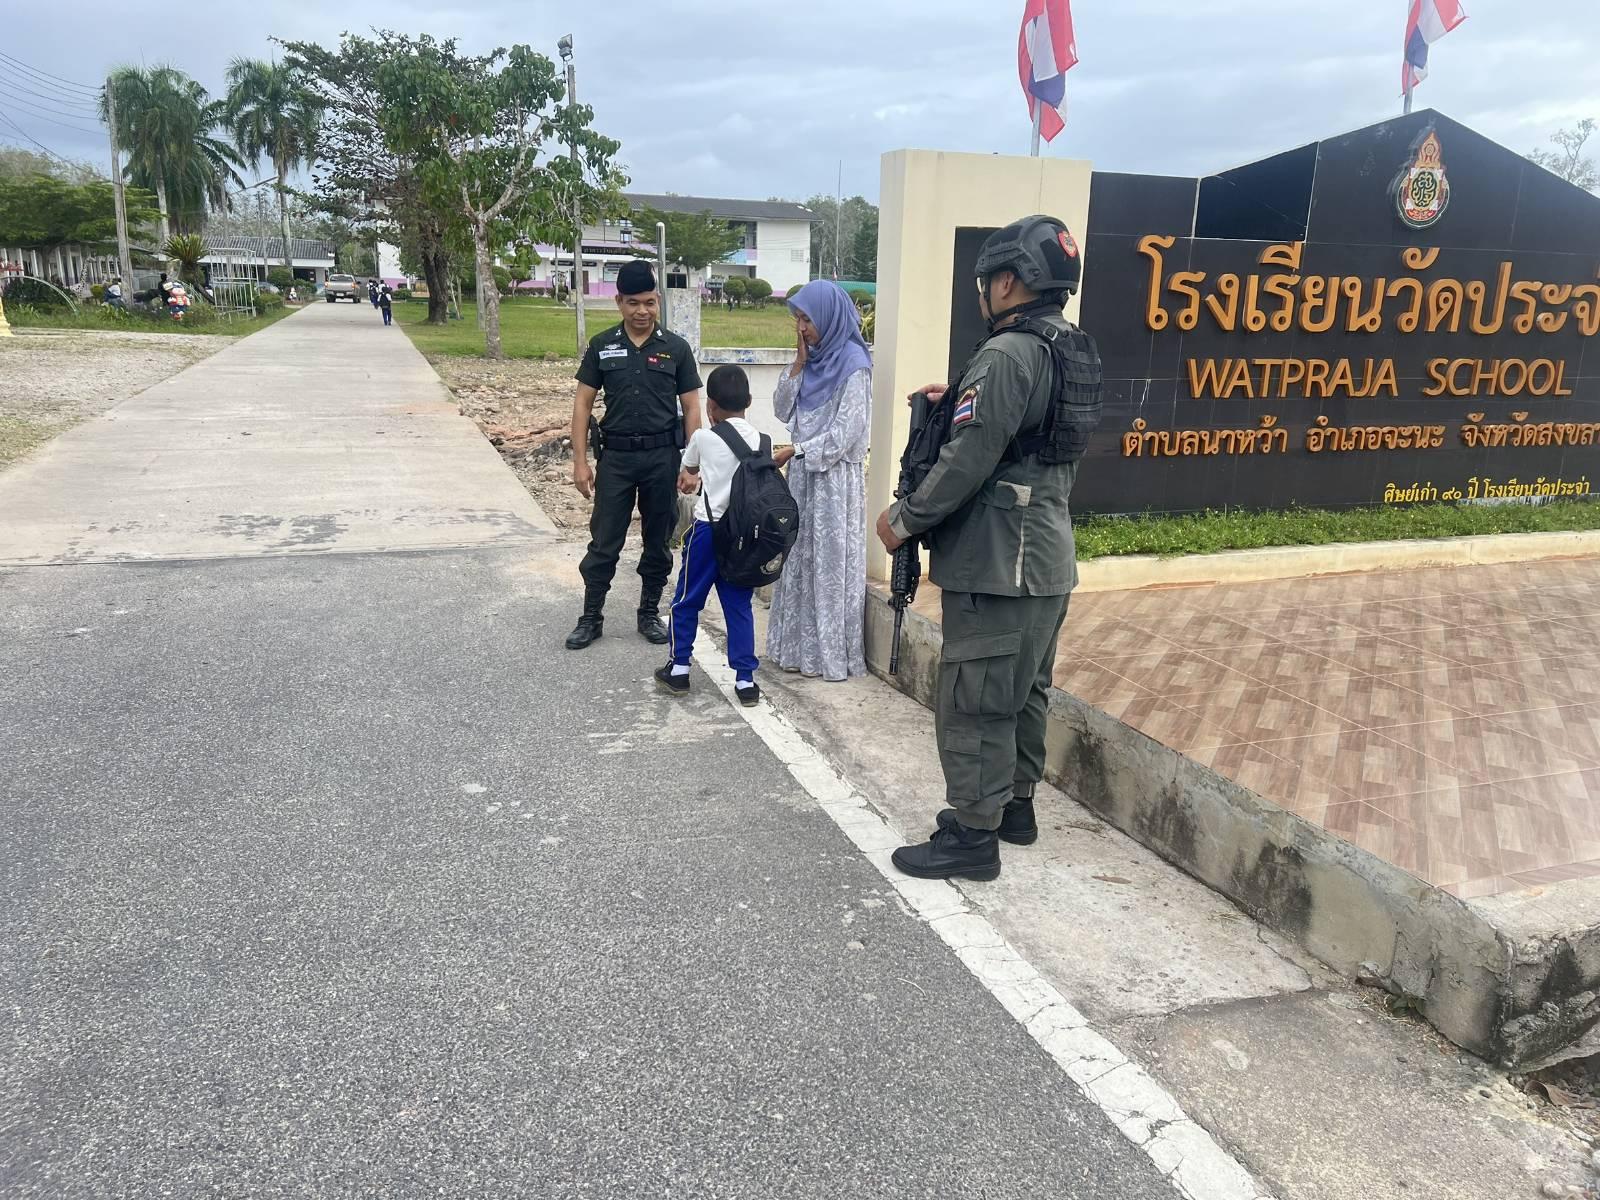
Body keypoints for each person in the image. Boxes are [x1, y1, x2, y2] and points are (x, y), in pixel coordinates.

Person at [875, 214, 1102, 883]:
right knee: (1023, 691)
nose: (982, 292)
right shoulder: (1067, 347)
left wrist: (904, 520)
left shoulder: (1007, 354)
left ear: (1007, 282)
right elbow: (1020, 434)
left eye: (986, 281)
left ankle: (973, 837)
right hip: (1046, 559)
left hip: (999, 563)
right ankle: (1014, 808)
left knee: (975, 698)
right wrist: (957, 398)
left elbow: (970, 457)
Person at [566, 260, 703, 650]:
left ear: (657, 301)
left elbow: (692, 407)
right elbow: (582, 405)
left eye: (649, 302)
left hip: (662, 458)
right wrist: (580, 462)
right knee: (604, 541)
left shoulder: (676, 348)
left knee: (658, 540)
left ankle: (648, 613)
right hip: (617, 460)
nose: (642, 311)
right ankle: (591, 617)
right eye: (633, 303)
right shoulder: (602, 345)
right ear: (619, 302)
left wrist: (692, 464)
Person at [767, 280, 870, 681]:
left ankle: (828, 657)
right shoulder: (811, 361)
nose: (802, 328)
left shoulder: (854, 365)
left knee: (827, 565)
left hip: (833, 484)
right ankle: (796, 650)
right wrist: (798, 362)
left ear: (828, 317)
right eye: (798, 319)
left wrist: (797, 450)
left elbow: (846, 434)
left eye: (807, 319)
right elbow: (781, 409)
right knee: (800, 560)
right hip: (803, 480)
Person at [654, 365, 763, 707]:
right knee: (739, 606)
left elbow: (689, 470)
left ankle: (679, 669)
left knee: (686, 600)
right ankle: (745, 680)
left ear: (710, 405)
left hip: (707, 532)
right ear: (748, 401)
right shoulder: (762, 440)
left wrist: (693, 475)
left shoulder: (702, 438)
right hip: (743, 537)